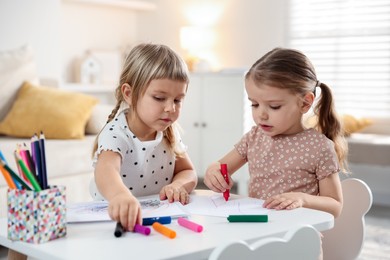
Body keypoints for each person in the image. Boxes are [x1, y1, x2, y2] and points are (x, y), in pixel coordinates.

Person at [203, 47, 348, 218]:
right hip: (260, 227)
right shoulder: (255, 137)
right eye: (254, 104)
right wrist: (213, 172)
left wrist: (303, 199)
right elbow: (221, 166)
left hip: (299, 233)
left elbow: (335, 205)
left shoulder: (319, 147)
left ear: (305, 103)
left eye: (274, 106)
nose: (261, 115)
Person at [90, 43, 198, 231]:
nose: (170, 108)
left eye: (177, 100)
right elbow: (106, 170)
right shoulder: (117, 133)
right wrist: (119, 196)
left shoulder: (169, 132)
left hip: (154, 218)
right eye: (159, 98)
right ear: (129, 94)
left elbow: (188, 171)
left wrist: (179, 185)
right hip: (113, 221)